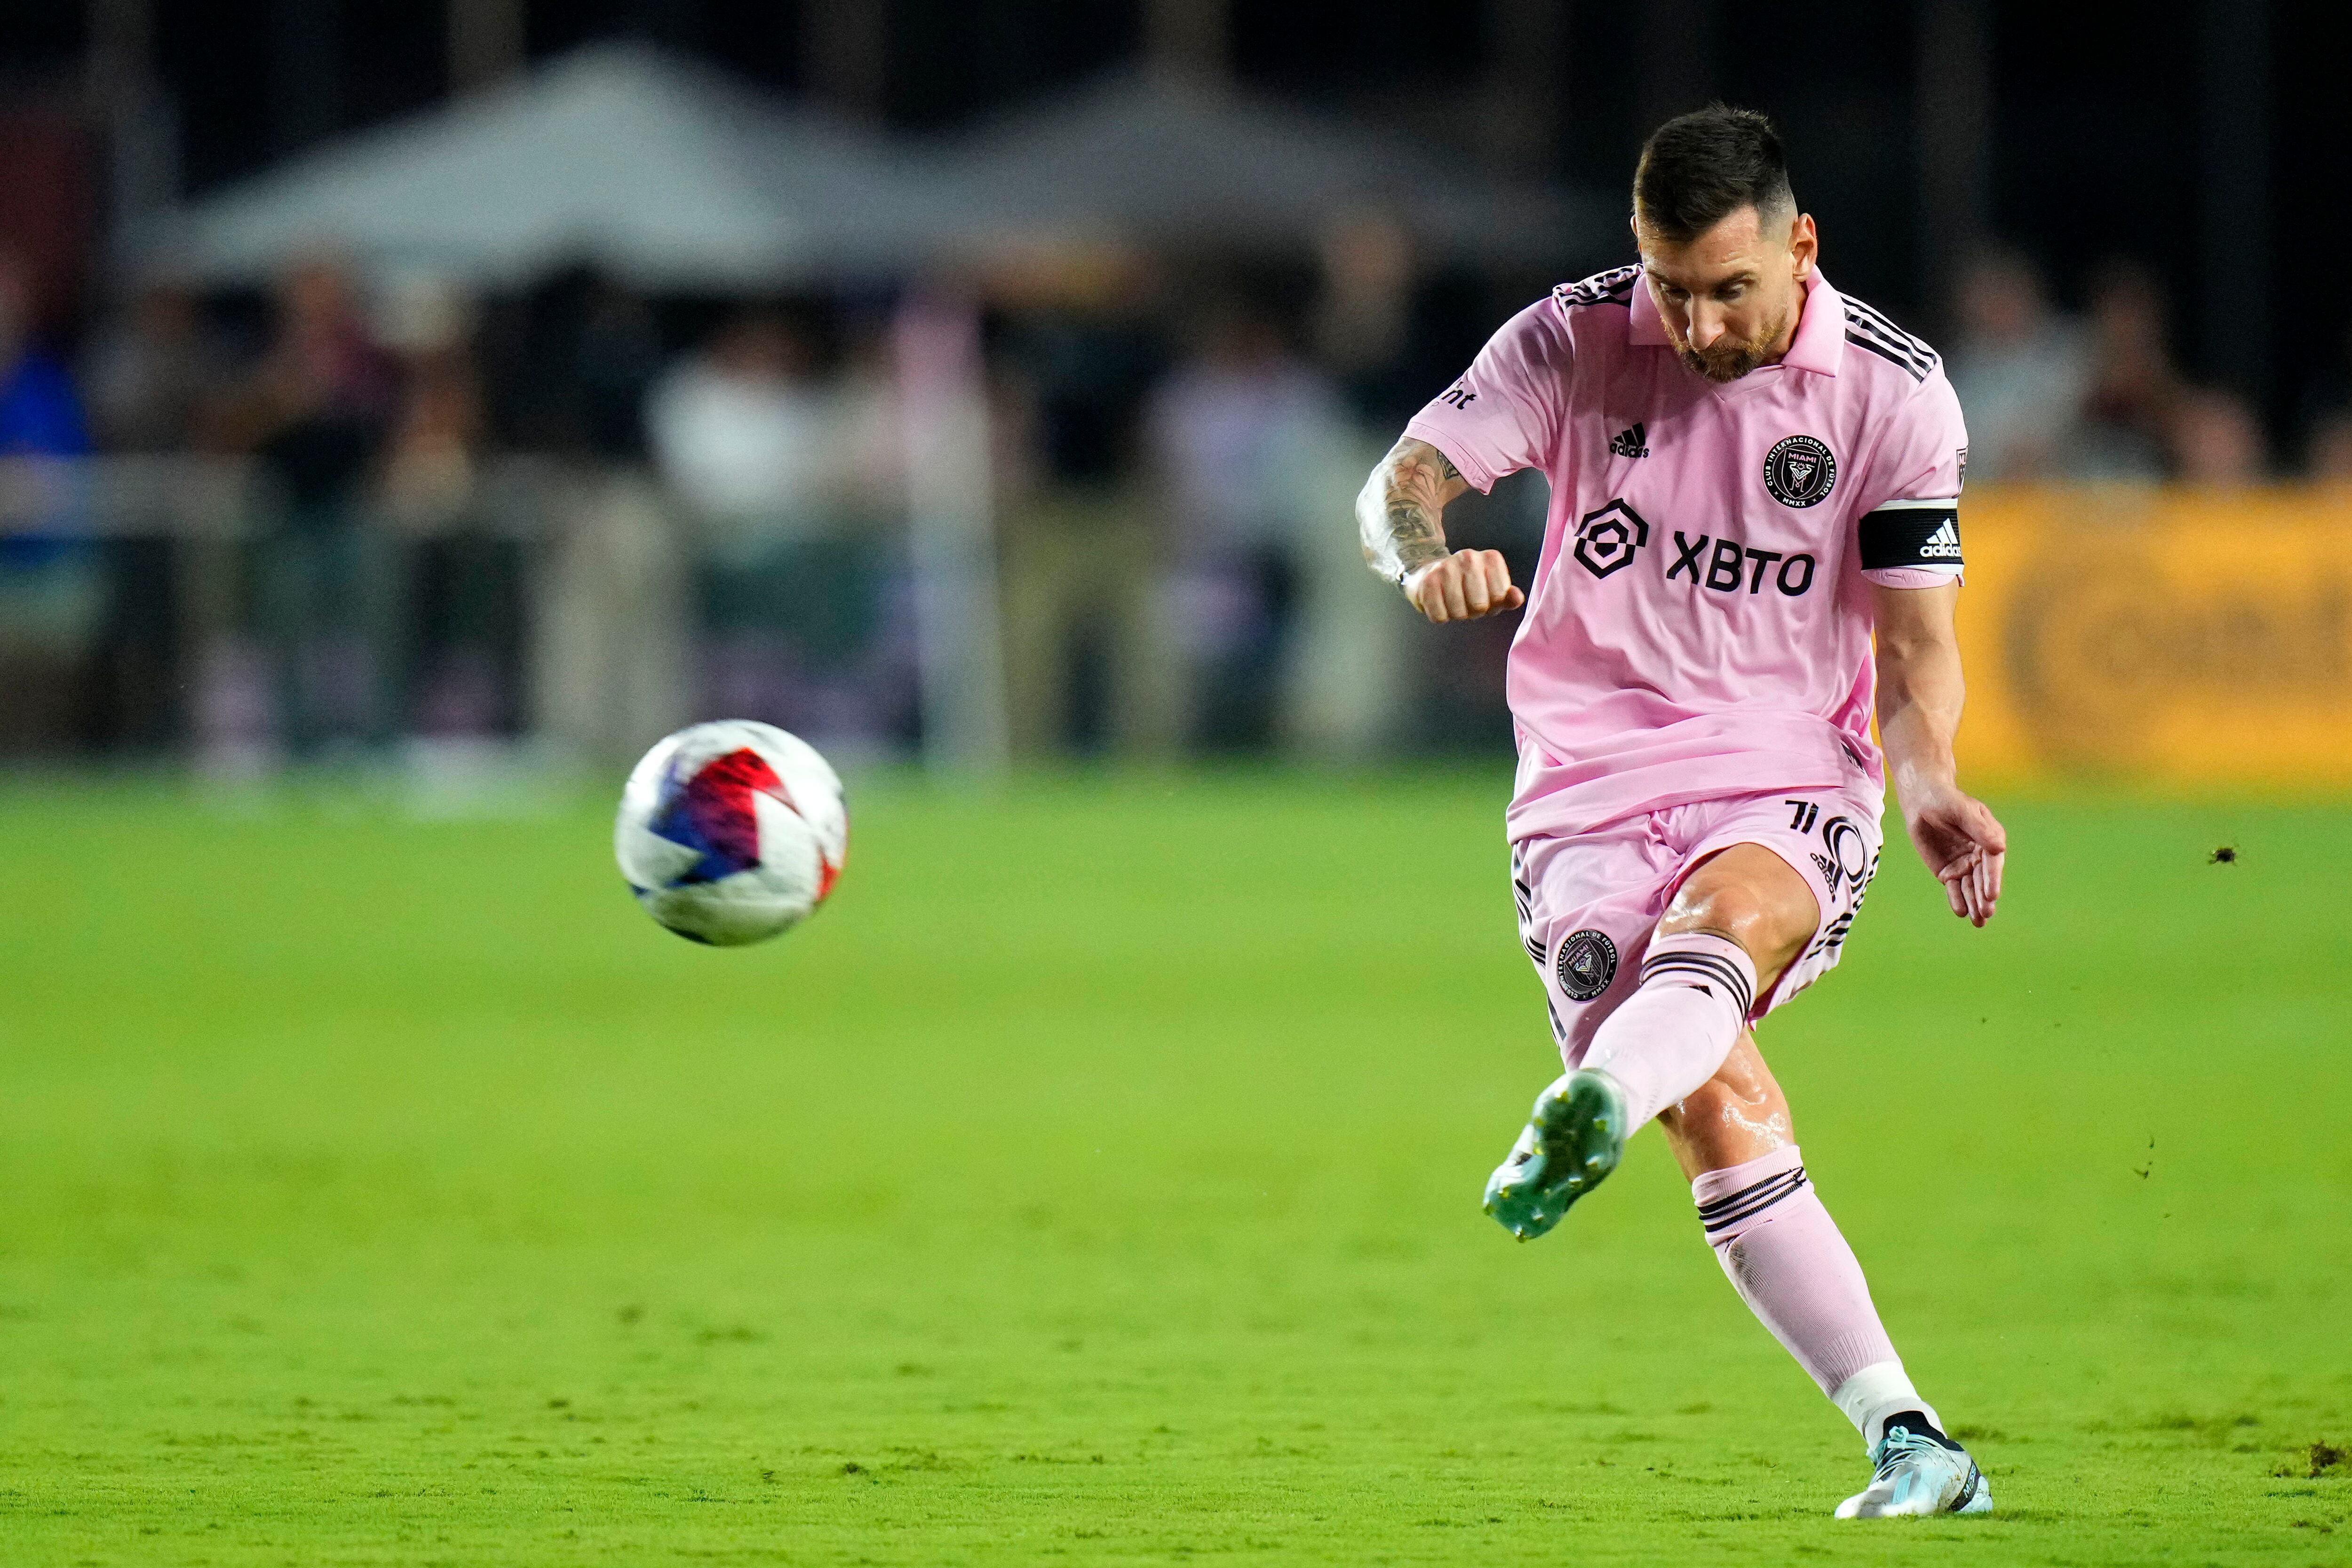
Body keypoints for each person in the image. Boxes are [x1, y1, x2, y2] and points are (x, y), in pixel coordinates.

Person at [1356, 107, 2003, 1519]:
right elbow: (1403, 482)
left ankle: (1587, 1099)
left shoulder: (1895, 394)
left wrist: (1933, 774)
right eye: (1672, 287)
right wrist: (1421, 565)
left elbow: (1913, 646)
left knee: (1728, 929)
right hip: (1586, 783)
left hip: (1786, 767)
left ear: (1801, 247)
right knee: (1717, 1112)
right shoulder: (1570, 338)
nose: (1701, 323)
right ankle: (1916, 1444)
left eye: (1731, 288)